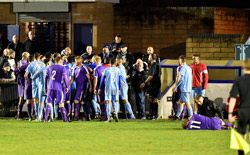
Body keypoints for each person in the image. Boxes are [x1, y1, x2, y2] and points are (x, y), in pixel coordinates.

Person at [228, 58, 250, 155]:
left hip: (243, 111)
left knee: (241, 135)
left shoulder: (239, 80)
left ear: (243, 67)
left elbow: (233, 98)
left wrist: (230, 114)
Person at [68, 56, 92, 121]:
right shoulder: (75, 68)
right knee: (82, 101)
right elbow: (73, 78)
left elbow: (89, 77)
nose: (75, 62)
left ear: (80, 61)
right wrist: (67, 85)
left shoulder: (84, 68)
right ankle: (87, 116)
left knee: (76, 100)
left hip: (82, 87)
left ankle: (76, 116)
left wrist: (90, 87)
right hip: (78, 87)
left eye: (76, 60)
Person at [45, 57, 69, 122]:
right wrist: (66, 86)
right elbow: (64, 78)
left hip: (50, 87)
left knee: (49, 103)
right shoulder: (62, 68)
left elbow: (46, 78)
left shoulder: (50, 67)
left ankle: (45, 119)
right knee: (61, 103)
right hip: (58, 87)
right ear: (60, 62)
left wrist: (46, 88)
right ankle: (64, 119)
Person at [98, 58, 121, 123]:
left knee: (108, 102)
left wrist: (100, 88)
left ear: (110, 63)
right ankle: (115, 113)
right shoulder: (118, 70)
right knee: (116, 101)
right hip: (115, 87)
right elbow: (119, 80)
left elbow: (102, 80)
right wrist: (119, 89)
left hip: (108, 87)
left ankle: (108, 117)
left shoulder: (106, 70)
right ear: (115, 63)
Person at [140, 54, 161, 120]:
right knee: (152, 99)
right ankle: (152, 114)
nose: (148, 57)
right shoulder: (157, 64)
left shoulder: (153, 65)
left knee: (153, 99)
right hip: (156, 83)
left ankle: (154, 115)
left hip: (154, 83)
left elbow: (151, 76)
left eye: (149, 56)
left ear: (152, 58)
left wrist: (144, 83)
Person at [172, 55, 193, 121]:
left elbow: (180, 79)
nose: (179, 61)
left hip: (184, 88)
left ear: (182, 61)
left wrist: (175, 86)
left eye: (179, 60)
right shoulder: (189, 68)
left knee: (187, 103)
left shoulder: (183, 68)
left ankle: (192, 117)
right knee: (181, 102)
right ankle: (177, 116)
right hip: (188, 88)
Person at [25, 53, 45, 120]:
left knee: (35, 100)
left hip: (34, 84)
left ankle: (37, 115)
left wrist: (28, 80)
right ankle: (42, 115)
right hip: (42, 84)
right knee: (42, 100)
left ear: (34, 58)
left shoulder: (31, 64)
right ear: (39, 57)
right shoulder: (43, 64)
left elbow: (25, 75)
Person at [14, 52, 30, 120]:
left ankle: (19, 113)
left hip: (25, 82)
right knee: (21, 98)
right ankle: (18, 115)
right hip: (21, 83)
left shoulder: (27, 63)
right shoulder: (20, 62)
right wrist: (22, 67)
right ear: (25, 57)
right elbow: (16, 71)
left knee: (25, 99)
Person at [93, 56, 108, 121]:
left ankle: (104, 116)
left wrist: (94, 88)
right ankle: (105, 115)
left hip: (99, 87)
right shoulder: (105, 68)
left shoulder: (96, 69)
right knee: (105, 101)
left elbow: (95, 79)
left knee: (101, 102)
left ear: (95, 61)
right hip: (106, 86)